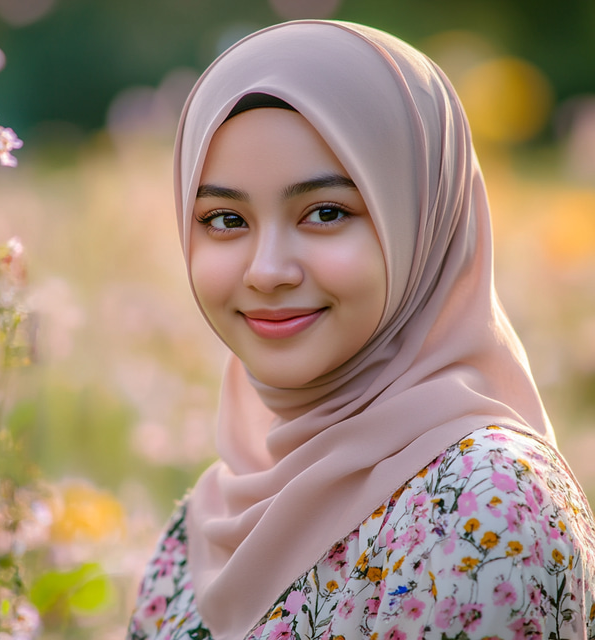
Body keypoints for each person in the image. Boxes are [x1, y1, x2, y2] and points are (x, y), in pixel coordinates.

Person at [126, 20, 595, 640]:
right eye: (225, 218)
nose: (266, 271)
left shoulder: (484, 505)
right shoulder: (212, 517)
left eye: (326, 212)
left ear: (424, 224)